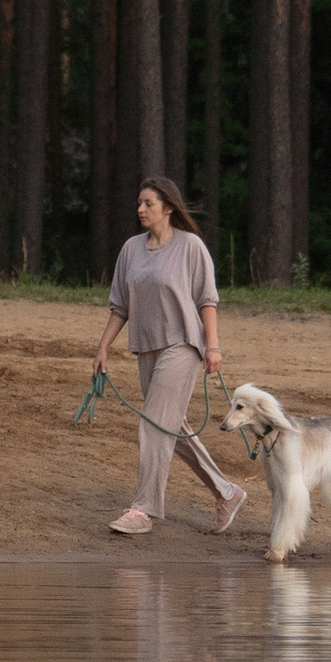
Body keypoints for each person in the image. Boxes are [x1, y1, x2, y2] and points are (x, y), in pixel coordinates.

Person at [91, 175, 247, 541]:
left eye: (148, 204)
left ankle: (144, 509)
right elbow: (120, 306)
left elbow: (207, 300)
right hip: (146, 347)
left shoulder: (190, 246)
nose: (140, 209)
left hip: (183, 345)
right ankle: (227, 492)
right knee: (170, 428)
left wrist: (213, 346)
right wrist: (103, 348)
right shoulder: (131, 249)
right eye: (140, 203)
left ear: (169, 208)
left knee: (152, 423)